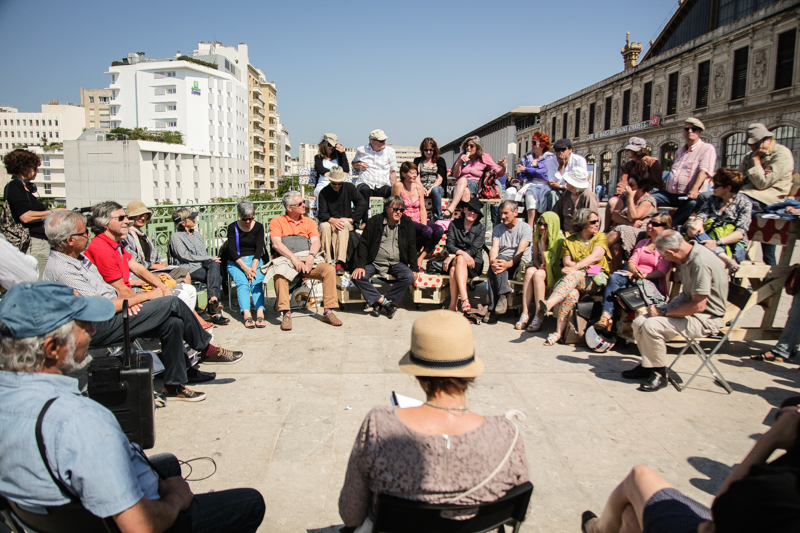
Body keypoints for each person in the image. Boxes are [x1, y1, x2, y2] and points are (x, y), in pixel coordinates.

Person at [0, 282, 266, 533]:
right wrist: (175, 499)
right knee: (251, 502)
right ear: (52, 348)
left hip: (61, 513)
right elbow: (141, 526)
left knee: (169, 464)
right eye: (83, 325)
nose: (93, 331)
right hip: (151, 519)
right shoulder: (79, 421)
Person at [338, 310, 530, 532]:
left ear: (417, 373)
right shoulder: (506, 434)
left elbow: (351, 514)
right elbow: (518, 514)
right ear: (471, 372)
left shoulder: (380, 425)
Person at [42, 210, 243, 402]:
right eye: (83, 233)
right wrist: (144, 297)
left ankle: (175, 384)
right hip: (94, 326)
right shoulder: (64, 269)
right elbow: (99, 307)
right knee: (172, 302)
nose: (88, 235)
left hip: (115, 311)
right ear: (70, 240)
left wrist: (130, 302)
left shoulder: (80, 258)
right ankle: (206, 348)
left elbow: (109, 289)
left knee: (172, 323)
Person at [580, 402, 800, 533]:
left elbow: (719, 517)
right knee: (631, 517)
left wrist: (769, 440)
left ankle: (597, 529)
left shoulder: (786, 485)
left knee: (639, 476)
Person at [623, 230, 728, 392]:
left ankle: (659, 374)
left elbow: (698, 306)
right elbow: (686, 296)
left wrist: (664, 313)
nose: (666, 260)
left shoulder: (699, 263)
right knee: (639, 322)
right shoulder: (689, 255)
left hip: (706, 318)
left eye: (665, 256)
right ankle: (648, 366)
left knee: (651, 326)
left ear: (671, 252)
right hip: (692, 310)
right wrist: (663, 307)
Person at [86, 201, 208, 329]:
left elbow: (138, 268)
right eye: (121, 218)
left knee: (189, 290)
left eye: (126, 217)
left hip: (130, 292)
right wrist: (150, 295)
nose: (127, 221)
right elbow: (120, 289)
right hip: (121, 302)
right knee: (180, 296)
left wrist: (162, 287)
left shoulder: (115, 244)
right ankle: (194, 329)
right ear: (104, 223)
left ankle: (193, 330)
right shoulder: (102, 248)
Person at [266, 190, 342, 331]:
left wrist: (311, 256)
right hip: (287, 259)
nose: (303, 205)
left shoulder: (309, 221)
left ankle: (328, 311)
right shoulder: (277, 222)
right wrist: (294, 259)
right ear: (289, 207)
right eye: (300, 203)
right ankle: (286, 313)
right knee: (279, 273)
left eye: (303, 202)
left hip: (307, 258)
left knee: (329, 270)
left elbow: (316, 241)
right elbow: (276, 243)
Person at [538, 208, 610, 346]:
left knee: (574, 274)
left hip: (595, 280)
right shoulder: (569, 241)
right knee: (571, 294)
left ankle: (549, 304)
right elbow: (567, 262)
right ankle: (558, 333)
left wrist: (575, 267)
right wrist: (581, 266)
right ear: (583, 223)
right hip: (576, 281)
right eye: (593, 222)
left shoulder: (600, 237)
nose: (597, 224)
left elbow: (596, 256)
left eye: (598, 221)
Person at [595, 213, 674, 332]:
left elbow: (661, 272)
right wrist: (634, 271)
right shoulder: (643, 243)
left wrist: (643, 276)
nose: (650, 226)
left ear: (665, 227)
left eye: (655, 224)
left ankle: (608, 320)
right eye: (650, 222)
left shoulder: (666, 247)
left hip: (652, 282)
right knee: (615, 280)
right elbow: (632, 261)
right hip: (634, 277)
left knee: (616, 286)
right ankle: (607, 318)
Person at [351, 196, 417, 319]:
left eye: (401, 210)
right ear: (387, 208)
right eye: (395, 209)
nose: (399, 212)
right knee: (358, 276)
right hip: (374, 261)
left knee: (409, 276)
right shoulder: (375, 221)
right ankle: (385, 303)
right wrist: (359, 266)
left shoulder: (407, 223)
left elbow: (412, 246)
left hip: (396, 262)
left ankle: (380, 303)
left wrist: (414, 268)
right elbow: (363, 244)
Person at [739, 123, 796, 266]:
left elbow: (762, 183)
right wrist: (756, 171)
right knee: (712, 198)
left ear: (766, 140)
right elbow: (737, 179)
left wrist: (756, 161)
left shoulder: (781, 153)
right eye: (750, 144)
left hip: (770, 198)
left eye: (755, 143)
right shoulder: (749, 156)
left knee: (737, 203)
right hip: (749, 195)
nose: (752, 148)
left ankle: (767, 270)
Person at [2, 148, 63, 278]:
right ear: (24, 168)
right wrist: (53, 212)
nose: (37, 172)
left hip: (37, 243)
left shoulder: (22, 188)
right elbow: (25, 216)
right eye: (35, 168)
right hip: (33, 244)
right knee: (38, 282)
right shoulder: (15, 187)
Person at [170, 207, 229, 325]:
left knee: (214, 264)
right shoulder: (176, 237)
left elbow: (202, 253)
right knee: (217, 277)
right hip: (188, 267)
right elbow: (184, 256)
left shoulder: (196, 234)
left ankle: (213, 301)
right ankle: (214, 311)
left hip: (203, 264)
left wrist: (210, 259)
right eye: (191, 217)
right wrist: (209, 258)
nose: (194, 219)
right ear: (183, 222)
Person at [653, 118, 717, 226]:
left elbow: (705, 171)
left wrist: (695, 189)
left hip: (688, 196)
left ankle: (670, 228)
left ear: (699, 132)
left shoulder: (707, 148)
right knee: (648, 199)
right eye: (687, 129)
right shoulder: (680, 151)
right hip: (670, 194)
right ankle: (647, 224)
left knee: (691, 204)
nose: (689, 131)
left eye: (693, 129)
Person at [686, 168, 752, 272]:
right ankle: (725, 258)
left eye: (716, 185)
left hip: (732, 245)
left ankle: (721, 258)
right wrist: (698, 221)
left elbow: (740, 233)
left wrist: (716, 243)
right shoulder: (713, 199)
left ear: (728, 188)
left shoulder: (744, 203)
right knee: (691, 227)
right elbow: (702, 213)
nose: (712, 187)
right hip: (709, 241)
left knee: (703, 255)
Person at [518, 212, 565, 332]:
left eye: (546, 225)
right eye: (540, 224)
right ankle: (525, 312)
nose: (542, 227)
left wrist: (543, 243)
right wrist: (540, 266)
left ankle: (538, 315)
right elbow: (536, 259)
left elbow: (548, 263)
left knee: (538, 274)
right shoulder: (537, 236)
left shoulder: (559, 240)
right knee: (530, 271)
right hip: (543, 268)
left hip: (555, 271)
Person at [392, 162, 445, 271]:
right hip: (404, 219)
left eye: (416, 173)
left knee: (438, 230)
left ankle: (420, 258)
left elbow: (422, 208)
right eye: (411, 173)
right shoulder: (398, 185)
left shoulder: (419, 187)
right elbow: (394, 205)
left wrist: (424, 225)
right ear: (403, 174)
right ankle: (411, 257)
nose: (415, 175)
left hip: (418, 218)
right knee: (427, 230)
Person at [603, 137, 663, 232]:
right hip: (629, 193)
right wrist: (619, 195)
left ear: (638, 151)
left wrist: (641, 193)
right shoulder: (627, 166)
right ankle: (606, 231)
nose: (626, 151)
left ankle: (616, 229)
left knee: (629, 207)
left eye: (629, 150)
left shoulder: (651, 162)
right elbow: (622, 182)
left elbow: (656, 183)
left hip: (646, 193)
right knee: (612, 202)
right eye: (626, 149)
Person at [124, 201, 191, 283]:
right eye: (139, 215)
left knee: (184, 273)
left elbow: (155, 258)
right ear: (130, 217)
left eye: (145, 215)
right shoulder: (126, 235)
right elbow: (132, 261)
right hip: (139, 273)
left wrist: (160, 266)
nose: (143, 218)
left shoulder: (144, 236)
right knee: (179, 278)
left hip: (152, 270)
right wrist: (155, 266)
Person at [226, 200, 268, 328]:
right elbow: (231, 250)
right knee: (243, 283)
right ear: (239, 215)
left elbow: (259, 248)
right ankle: (246, 314)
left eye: (251, 218)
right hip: (237, 261)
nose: (248, 221)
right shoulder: (232, 227)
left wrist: (253, 268)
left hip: (255, 260)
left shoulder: (258, 227)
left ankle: (260, 312)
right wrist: (245, 268)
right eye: (245, 219)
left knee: (256, 282)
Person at [317, 165, 368, 273]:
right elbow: (322, 213)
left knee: (342, 224)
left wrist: (353, 219)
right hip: (329, 221)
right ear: (330, 181)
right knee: (324, 226)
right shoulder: (324, 192)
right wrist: (332, 220)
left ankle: (339, 261)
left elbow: (362, 202)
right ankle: (326, 260)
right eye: (334, 183)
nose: (337, 186)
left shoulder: (349, 187)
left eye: (339, 183)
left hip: (346, 221)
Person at [487, 200, 532, 317]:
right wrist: (492, 262)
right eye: (501, 213)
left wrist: (509, 264)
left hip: (518, 264)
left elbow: (520, 251)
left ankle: (493, 309)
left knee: (498, 264)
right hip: (502, 263)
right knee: (495, 265)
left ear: (515, 212)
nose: (502, 216)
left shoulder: (525, 228)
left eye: (506, 213)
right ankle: (502, 298)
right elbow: (494, 248)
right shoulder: (498, 228)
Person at [607, 173, 658, 271]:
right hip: (627, 228)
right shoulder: (624, 196)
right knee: (615, 247)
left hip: (641, 232)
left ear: (642, 187)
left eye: (632, 185)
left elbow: (633, 217)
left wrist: (630, 198)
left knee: (620, 229)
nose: (628, 188)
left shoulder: (649, 201)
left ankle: (592, 253)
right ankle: (614, 275)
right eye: (628, 184)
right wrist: (630, 224)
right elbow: (615, 215)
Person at [446, 136, 506, 219]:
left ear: (477, 147)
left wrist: (504, 167)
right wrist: (459, 162)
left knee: (463, 180)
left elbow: (500, 173)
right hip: (458, 188)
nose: (468, 148)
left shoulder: (484, 157)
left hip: (475, 187)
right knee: (465, 190)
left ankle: (451, 208)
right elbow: (455, 175)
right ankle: (465, 221)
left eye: (471, 146)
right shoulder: (462, 156)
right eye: (467, 146)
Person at [444, 197, 486, 313]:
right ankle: (463, 299)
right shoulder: (454, 224)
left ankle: (454, 304)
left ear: (478, 215)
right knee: (460, 260)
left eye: (475, 211)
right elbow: (450, 245)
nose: (472, 213)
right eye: (470, 209)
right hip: (459, 260)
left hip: (474, 263)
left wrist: (454, 255)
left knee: (454, 269)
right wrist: (461, 254)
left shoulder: (480, 228)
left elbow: (475, 249)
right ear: (464, 209)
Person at [352, 129, 398, 225]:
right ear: (372, 141)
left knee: (391, 192)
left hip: (382, 183)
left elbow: (392, 172)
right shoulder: (361, 150)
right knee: (364, 190)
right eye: (381, 141)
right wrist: (359, 165)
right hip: (366, 182)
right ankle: (365, 221)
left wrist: (395, 188)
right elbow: (353, 163)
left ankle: (387, 220)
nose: (383, 142)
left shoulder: (390, 151)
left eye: (384, 140)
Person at [516, 131, 557, 227]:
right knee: (527, 192)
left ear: (542, 145)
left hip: (544, 184)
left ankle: (535, 224)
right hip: (527, 184)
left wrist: (526, 169)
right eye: (532, 142)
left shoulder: (549, 157)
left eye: (534, 143)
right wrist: (530, 172)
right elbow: (519, 173)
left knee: (532, 192)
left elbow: (543, 172)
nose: (531, 145)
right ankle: (527, 225)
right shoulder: (527, 157)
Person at [552, 167, 599, 236]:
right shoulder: (567, 193)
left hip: (582, 235)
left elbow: (593, 220)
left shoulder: (588, 196)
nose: (565, 182)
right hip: (565, 233)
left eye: (567, 181)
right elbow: (555, 212)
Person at [413, 137, 447, 220]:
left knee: (435, 190)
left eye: (431, 150)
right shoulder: (418, 161)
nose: (428, 152)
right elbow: (416, 177)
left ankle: (439, 217)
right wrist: (422, 188)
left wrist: (431, 189)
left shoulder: (440, 160)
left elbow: (440, 178)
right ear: (422, 150)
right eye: (426, 150)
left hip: (436, 188)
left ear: (434, 150)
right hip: (421, 187)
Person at [549, 138, 588, 209]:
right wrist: (561, 167)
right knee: (552, 194)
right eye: (557, 150)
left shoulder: (579, 160)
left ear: (570, 150)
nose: (560, 152)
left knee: (584, 194)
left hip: (576, 190)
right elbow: (552, 183)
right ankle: (554, 214)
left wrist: (560, 186)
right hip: (559, 190)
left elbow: (579, 183)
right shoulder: (552, 161)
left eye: (563, 149)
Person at [313, 132, 350, 198]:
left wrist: (342, 153)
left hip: (337, 184)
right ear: (324, 144)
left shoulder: (338, 157)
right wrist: (335, 173)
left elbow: (346, 170)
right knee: (322, 192)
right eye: (329, 145)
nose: (331, 147)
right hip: (323, 183)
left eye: (333, 145)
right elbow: (319, 169)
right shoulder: (318, 157)